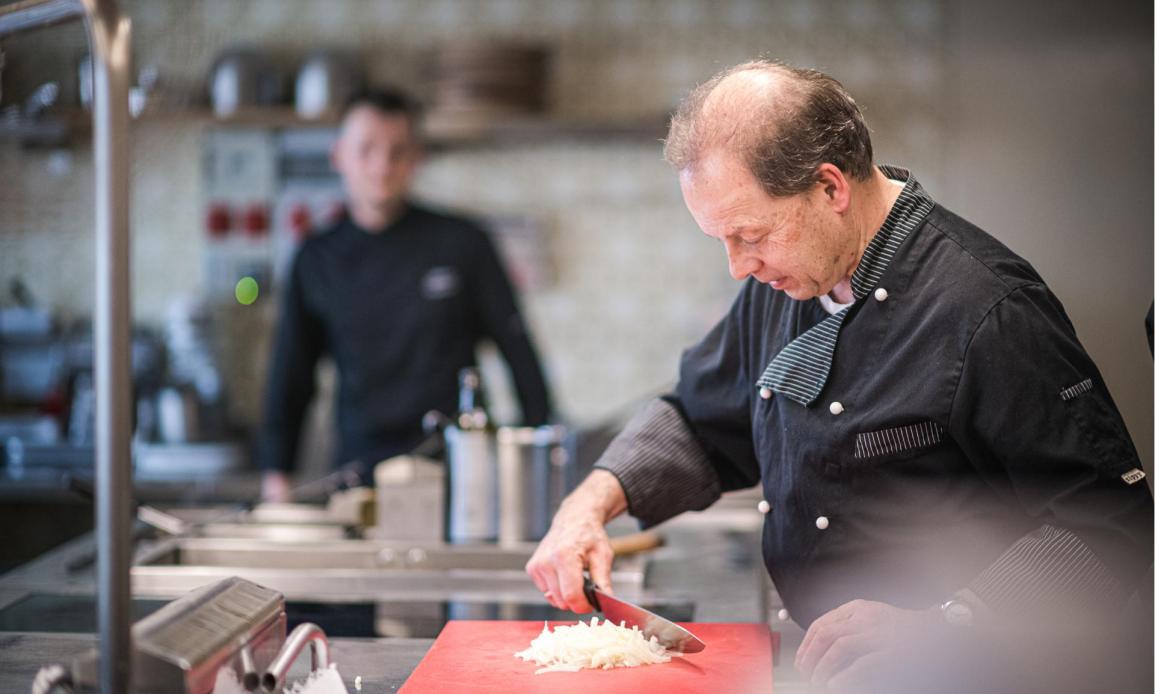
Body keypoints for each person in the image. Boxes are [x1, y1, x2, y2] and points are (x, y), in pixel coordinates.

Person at [526, 61, 1152, 692]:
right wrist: (588, 506)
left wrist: (952, 621)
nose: (740, 267)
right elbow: (702, 416)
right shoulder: (787, 278)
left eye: (751, 234)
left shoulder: (987, 309)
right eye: (722, 239)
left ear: (830, 188)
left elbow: (1108, 526)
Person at [259, 88, 553, 501]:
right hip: (358, 474)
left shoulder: (463, 243)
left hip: (457, 472)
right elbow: (291, 373)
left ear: (417, 158)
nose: (382, 166)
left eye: (398, 151)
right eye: (367, 150)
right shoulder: (316, 257)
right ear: (339, 157)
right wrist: (277, 471)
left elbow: (519, 353)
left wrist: (535, 456)